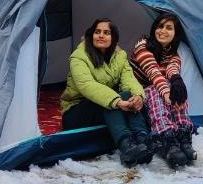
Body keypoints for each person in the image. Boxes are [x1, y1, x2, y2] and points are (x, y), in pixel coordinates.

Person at [61, 18, 152, 167]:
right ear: (91, 35)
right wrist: (116, 101)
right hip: (76, 112)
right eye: (97, 32)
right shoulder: (79, 56)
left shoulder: (120, 56)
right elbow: (87, 86)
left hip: (103, 107)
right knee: (111, 101)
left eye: (106, 33)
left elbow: (129, 80)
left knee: (129, 96)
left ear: (113, 38)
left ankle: (143, 139)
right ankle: (126, 145)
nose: (101, 36)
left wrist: (138, 97)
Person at [131, 13, 196, 168]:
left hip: (157, 92)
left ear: (176, 33)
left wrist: (177, 85)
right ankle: (165, 138)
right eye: (160, 26)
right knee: (156, 89)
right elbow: (153, 72)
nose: (163, 31)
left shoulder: (174, 55)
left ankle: (183, 136)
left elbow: (173, 71)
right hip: (136, 91)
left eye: (169, 28)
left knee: (178, 90)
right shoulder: (143, 45)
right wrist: (167, 94)